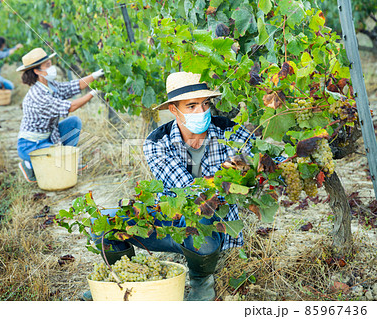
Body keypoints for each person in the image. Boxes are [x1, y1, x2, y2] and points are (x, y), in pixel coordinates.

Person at [82, 72, 254, 301]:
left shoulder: (230, 130)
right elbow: (189, 192)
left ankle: (201, 282)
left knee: (201, 215)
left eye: (205, 104)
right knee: (101, 223)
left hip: (211, 226)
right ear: (174, 109)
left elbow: (254, 171)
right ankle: (125, 279)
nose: (201, 112)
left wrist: (248, 170)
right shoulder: (156, 142)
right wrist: (226, 177)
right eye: (191, 106)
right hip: (168, 224)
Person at [15, 48, 105, 183]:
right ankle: (29, 165)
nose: (52, 68)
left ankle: (67, 162)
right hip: (30, 145)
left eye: (51, 64)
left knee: (74, 123)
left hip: (47, 138)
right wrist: (93, 93)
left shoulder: (49, 85)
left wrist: (95, 75)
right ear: (37, 71)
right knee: (58, 161)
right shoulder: (37, 96)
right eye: (48, 65)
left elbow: (71, 87)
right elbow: (71, 107)